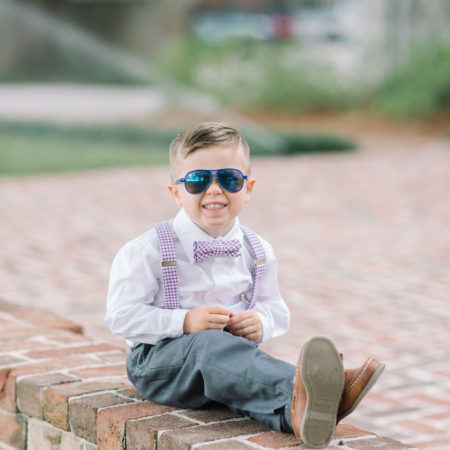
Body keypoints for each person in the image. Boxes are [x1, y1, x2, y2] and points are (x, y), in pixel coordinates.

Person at [105, 122, 385, 448]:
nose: (214, 189)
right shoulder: (147, 250)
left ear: (248, 189)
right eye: (197, 181)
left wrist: (260, 322)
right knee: (209, 347)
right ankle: (317, 389)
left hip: (226, 365)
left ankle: (298, 415)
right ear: (176, 193)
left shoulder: (257, 250)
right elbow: (121, 316)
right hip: (159, 367)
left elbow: (275, 308)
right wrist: (184, 321)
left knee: (239, 378)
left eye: (229, 179)